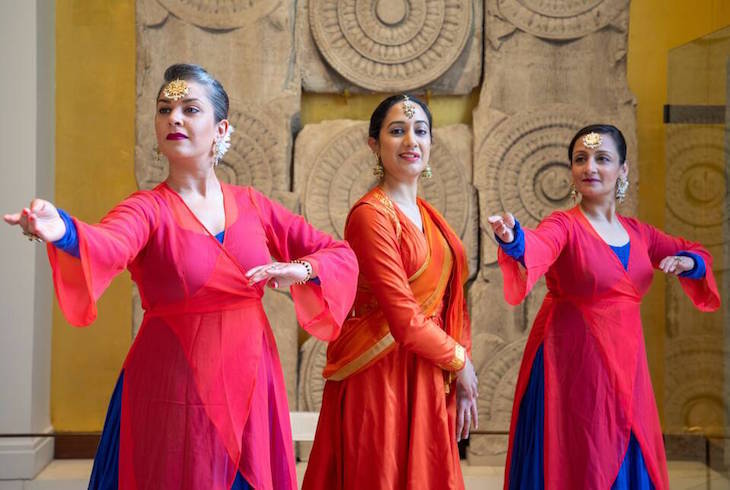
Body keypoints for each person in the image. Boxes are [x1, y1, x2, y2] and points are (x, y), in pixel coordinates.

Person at [4, 63, 358, 490]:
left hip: (249, 375)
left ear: (220, 128)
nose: (174, 117)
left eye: (190, 109)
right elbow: (108, 243)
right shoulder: (147, 208)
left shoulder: (254, 205)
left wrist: (300, 268)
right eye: (164, 109)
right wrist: (61, 228)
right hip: (172, 381)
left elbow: (339, 253)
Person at [488, 124, 721, 490]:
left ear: (623, 170)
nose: (590, 167)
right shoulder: (564, 225)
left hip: (627, 363)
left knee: (626, 445)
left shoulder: (640, 234)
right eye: (580, 159)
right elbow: (536, 246)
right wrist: (514, 238)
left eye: (602, 159)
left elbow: (695, 250)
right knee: (577, 453)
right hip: (571, 362)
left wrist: (690, 262)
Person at [302, 94, 479, 490]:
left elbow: (453, 301)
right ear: (374, 144)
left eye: (420, 132)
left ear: (431, 143)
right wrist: (460, 362)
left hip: (427, 370)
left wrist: (458, 368)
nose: (410, 141)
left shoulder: (430, 217)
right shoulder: (371, 216)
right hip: (380, 376)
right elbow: (403, 317)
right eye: (397, 132)